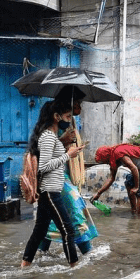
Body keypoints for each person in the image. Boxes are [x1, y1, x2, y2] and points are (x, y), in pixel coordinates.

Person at [21, 99, 85, 268]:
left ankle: (25, 265)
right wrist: (67, 155)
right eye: (67, 116)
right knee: (68, 231)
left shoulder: (51, 137)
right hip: (50, 191)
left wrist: (67, 148)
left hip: (49, 191)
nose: (69, 120)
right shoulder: (48, 137)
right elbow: (43, 167)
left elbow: (52, 160)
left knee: (40, 231)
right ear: (56, 117)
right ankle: (74, 268)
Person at [37, 94, 98, 256]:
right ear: (57, 116)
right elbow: (44, 163)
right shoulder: (49, 134)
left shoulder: (66, 126)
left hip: (61, 177)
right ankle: (85, 254)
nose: (79, 109)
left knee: (49, 219)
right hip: (54, 180)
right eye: (76, 105)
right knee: (75, 209)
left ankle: (36, 256)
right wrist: (65, 146)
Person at [92, 143, 140, 214]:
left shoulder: (118, 153)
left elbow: (134, 168)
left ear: (105, 156)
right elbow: (111, 178)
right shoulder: (113, 159)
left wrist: (136, 187)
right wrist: (98, 193)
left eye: (103, 161)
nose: (105, 163)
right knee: (129, 183)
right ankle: (134, 211)